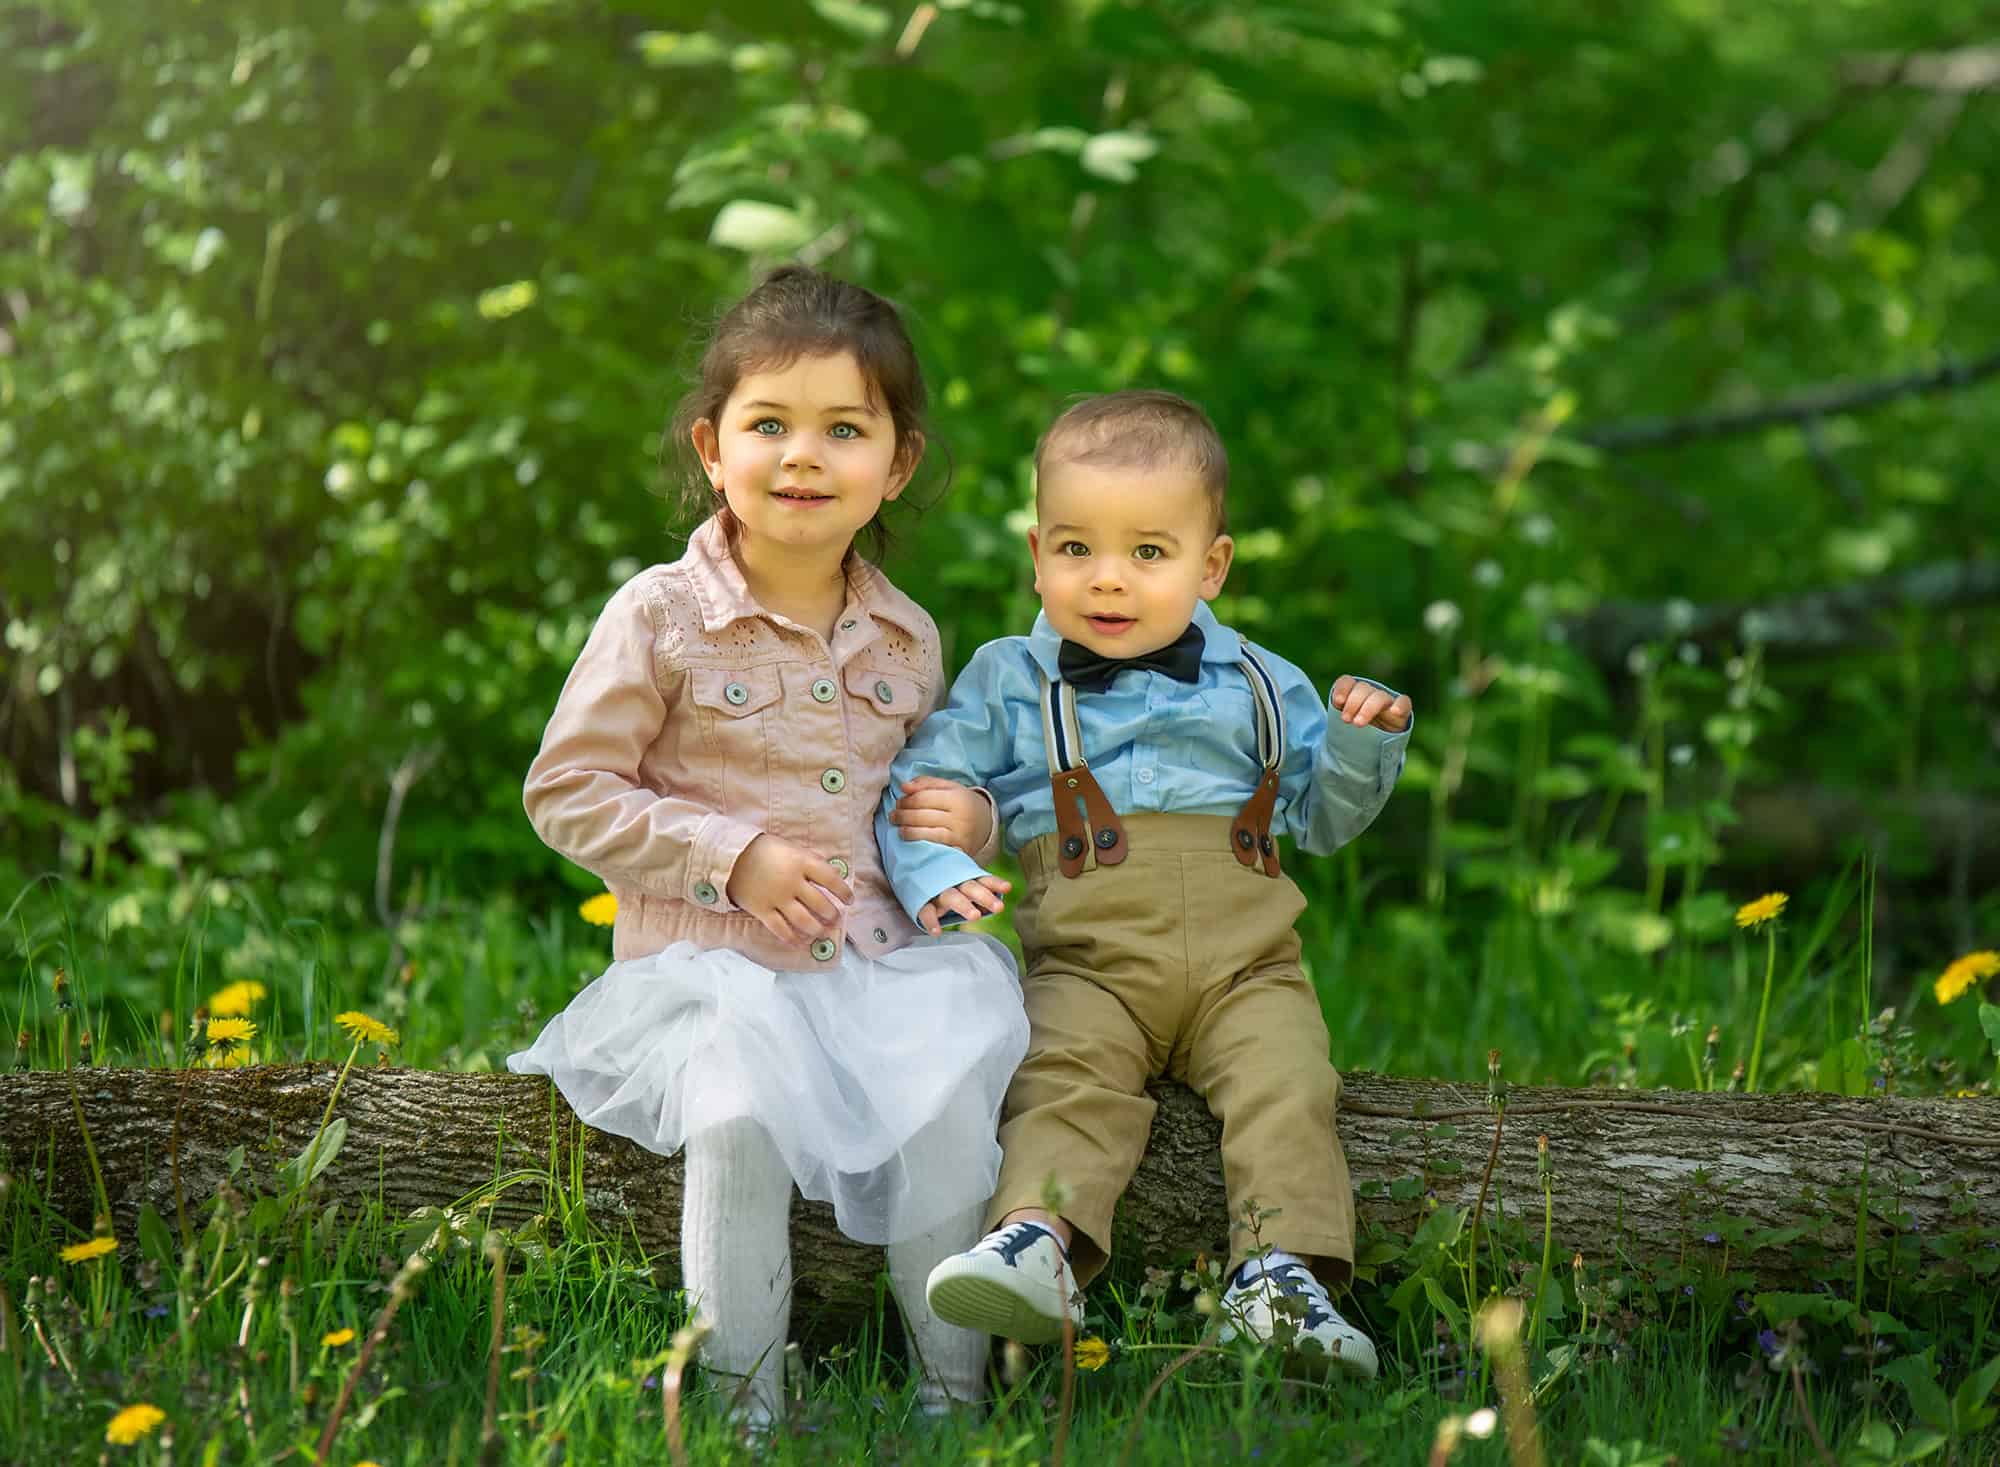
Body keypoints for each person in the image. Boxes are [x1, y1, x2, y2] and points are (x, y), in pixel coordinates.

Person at [509, 267, 1029, 1429]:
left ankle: (953, 1402)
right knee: (737, 1119)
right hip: (714, 974)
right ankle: (745, 1411)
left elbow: (918, 799)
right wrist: (728, 853)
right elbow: (566, 791)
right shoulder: (658, 615)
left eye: (844, 429)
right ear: (712, 447)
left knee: (947, 1109)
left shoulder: (906, 632)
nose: (803, 455)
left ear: (894, 465)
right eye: (768, 424)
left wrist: (964, 832)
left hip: (878, 968)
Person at [876, 389, 1412, 1380]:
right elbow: (924, 787)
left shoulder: (1263, 684)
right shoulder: (1009, 680)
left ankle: (1280, 1278)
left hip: (1247, 966)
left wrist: (1357, 747)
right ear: (1036, 554)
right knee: (1061, 1080)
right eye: (1075, 550)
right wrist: (943, 861)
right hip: (1089, 964)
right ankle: (1033, 1244)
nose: (1106, 581)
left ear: (1211, 566)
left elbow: (1323, 821)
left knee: (1288, 1086)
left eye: (1148, 554)